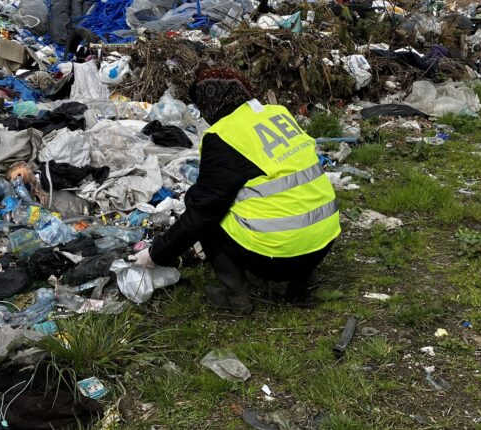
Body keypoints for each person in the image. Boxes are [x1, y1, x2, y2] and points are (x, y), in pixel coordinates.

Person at [131, 68, 340, 313]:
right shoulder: (278, 113)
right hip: (323, 240)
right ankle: (299, 287)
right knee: (291, 198)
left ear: (211, 102)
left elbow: (202, 212)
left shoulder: (224, 136)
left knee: (205, 208)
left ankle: (235, 296)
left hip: (278, 256)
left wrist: (155, 255)